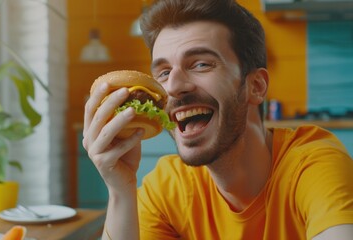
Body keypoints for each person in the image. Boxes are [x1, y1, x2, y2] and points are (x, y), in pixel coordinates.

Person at [83, 0, 353, 239]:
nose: (174, 86)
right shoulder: (169, 185)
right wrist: (120, 190)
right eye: (163, 72)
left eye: (201, 63)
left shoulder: (312, 165)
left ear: (256, 86)